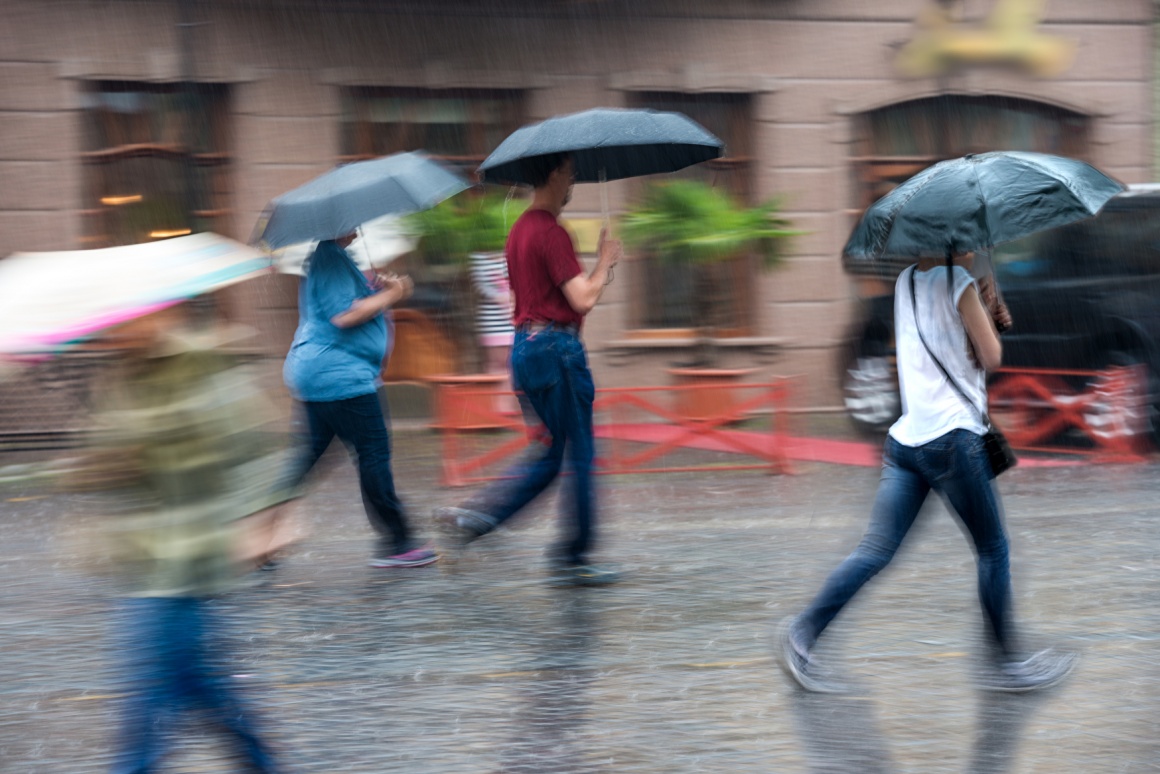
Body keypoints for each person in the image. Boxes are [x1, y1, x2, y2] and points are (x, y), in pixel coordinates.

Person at [777, 253, 1076, 693]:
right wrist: (987, 305)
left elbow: (944, 342)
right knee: (993, 550)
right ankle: (1007, 663)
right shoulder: (958, 282)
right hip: (953, 440)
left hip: (907, 441)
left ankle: (803, 634)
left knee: (874, 550)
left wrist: (983, 296)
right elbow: (990, 356)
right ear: (953, 239)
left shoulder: (905, 282)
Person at [88, 304, 288, 773]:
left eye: (133, 318)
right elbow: (106, 465)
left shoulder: (200, 366)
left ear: (161, 315)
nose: (123, 330)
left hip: (194, 551)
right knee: (201, 687)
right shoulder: (119, 382)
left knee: (151, 699)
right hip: (145, 556)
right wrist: (110, 464)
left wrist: (259, 521)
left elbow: (253, 449)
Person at [435, 153, 623, 585]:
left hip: (526, 349)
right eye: (571, 172)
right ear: (555, 173)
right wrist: (606, 261)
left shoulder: (519, 229)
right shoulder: (551, 232)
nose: (574, 180)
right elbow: (582, 300)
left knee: (551, 453)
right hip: (557, 350)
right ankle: (573, 557)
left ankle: (475, 519)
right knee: (580, 454)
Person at [280, 233, 437, 568]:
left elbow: (346, 305)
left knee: (304, 461)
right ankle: (398, 542)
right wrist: (392, 294)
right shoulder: (330, 257)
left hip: (325, 375)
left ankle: (255, 535)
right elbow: (344, 316)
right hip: (343, 378)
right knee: (373, 455)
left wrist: (377, 290)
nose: (360, 227)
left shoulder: (333, 257)